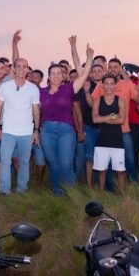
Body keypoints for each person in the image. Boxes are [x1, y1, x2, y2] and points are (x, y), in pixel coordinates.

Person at [40, 43, 94, 194]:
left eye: (59, 73)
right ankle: (57, 193)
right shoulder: (40, 92)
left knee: (66, 164)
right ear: (49, 77)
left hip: (66, 131)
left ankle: (71, 195)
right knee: (54, 165)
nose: (56, 76)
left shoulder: (69, 88)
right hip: (46, 131)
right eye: (53, 73)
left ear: (63, 76)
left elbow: (83, 75)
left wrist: (89, 57)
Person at [0, 57, 41, 194]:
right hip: (8, 131)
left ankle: (22, 189)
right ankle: (4, 190)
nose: (21, 68)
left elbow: (36, 111)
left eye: (24, 66)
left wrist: (36, 131)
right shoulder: (5, 87)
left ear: (27, 70)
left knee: (24, 162)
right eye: (18, 66)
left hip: (26, 132)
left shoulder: (33, 89)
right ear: (14, 69)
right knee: (5, 161)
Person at [91, 56, 139, 181]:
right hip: (106, 132)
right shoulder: (102, 85)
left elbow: (138, 100)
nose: (112, 69)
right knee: (107, 165)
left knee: (129, 160)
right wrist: (110, 117)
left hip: (124, 131)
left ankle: (134, 185)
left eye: (116, 67)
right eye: (110, 67)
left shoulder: (127, 84)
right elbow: (92, 104)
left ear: (120, 69)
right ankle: (109, 189)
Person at [92, 73, 128, 191]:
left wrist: (102, 118)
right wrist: (112, 116)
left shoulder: (120, 101)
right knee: (102, 171)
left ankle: (122, 195)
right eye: (106, 84)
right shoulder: (98, 101)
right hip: (102, 141)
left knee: (120, 171)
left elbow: (121, 120)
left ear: (115, 85)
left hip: (117, 141)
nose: (109, 86)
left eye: (111, 84)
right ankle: (101, 195)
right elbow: (94, 119)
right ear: (102, 85)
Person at [77, 63, 104, 186]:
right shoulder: (86, 85)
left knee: (101, 157)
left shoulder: (108, 85)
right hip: (89, 126)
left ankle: (99, 184)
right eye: (94, 71)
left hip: (105, 128)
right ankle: (89, 185)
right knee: (89, 157)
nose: (97, 73)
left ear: (103, 72)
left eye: (99, 71)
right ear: (91, 74)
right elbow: (89, 105)